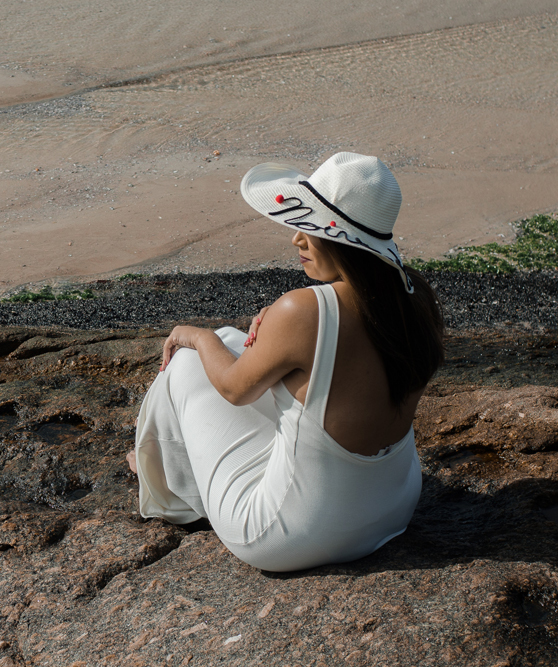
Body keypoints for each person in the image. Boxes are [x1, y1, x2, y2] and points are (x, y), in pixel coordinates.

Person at [127, 152, 444, 572]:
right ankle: (161, 466)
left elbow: (234, 390)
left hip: (295, 533)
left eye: (310, 228)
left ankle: (164, 485)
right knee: (235, 341)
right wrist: (273, 331)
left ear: (343, 241)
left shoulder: (307, 309)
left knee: (193, 358)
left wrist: (195, 336)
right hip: (391, 508)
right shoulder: (414, 297)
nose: (297, 238)